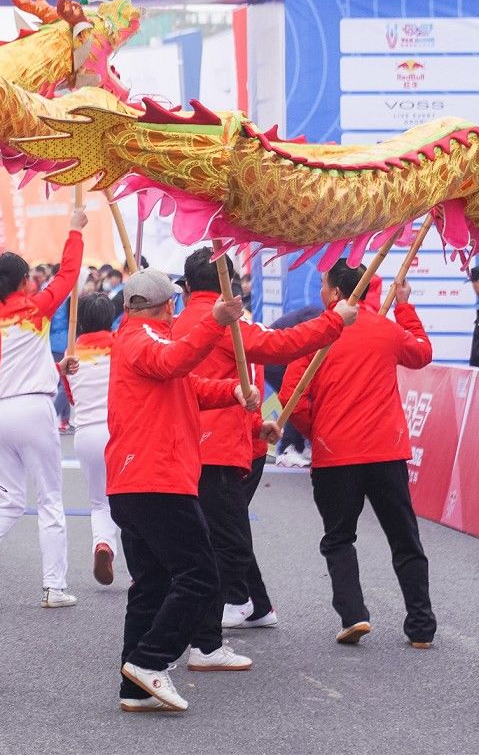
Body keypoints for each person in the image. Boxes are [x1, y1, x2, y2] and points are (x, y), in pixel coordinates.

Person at [178, 247, 347, 663]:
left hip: (191, 449)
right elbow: (280, 349)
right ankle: (201, 637)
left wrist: (260, 426)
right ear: (227, 286)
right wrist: (335, 322)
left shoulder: (178, 322)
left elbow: (245, 381)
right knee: (228, 546)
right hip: (219, 452)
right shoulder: (224, 324)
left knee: (215, 542)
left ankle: (247, 612)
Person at [102, 268, 252, 715]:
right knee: (200, 576)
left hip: (139, 479)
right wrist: (216, 321)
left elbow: (186, 386)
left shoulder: (137, 338)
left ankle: (135, 685)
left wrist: (232, 391)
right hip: (155, 477)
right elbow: (175, 364)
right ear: (170, 305)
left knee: (151, 584)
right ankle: (151, 660)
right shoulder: (142, 338)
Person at [280, 257, 437, 649]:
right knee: (405, 538)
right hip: (386, 452)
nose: (320, 292)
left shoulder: (317, 333)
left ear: (335, 293)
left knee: (338, 538)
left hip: (336, 456)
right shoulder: (386, 329)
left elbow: (290, 397)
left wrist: (317, 429)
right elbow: (421, 352)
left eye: (322, 285)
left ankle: (354, 615)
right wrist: (404, 306)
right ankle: (421, 626)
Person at [0, 210, 85, 609]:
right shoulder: (35, 308)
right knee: (49, 500)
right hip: (34, 411)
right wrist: (75, 230)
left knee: (7, 499)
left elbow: (7, 365)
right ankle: (54, 587)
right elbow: (70, 274)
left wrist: (55, 368)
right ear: (25, 282)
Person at [66, 292, 122, 586]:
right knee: (132, 501)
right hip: (119, 431)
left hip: (86, 433)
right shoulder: (122, 346)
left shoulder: (71, 356)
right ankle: (144, 568)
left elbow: (73, 396)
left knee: (100, 503)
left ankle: (103, 544)